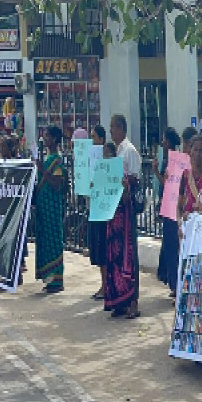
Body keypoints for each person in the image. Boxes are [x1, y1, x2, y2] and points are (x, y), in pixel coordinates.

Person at [104, 113, 141, 319]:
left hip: (125, 210)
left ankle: (133, 301)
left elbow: (135, 178)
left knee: (128, 255)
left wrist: (126, 183)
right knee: (115, 255)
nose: (111, 131)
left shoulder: (129, 151)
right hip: (113, 210)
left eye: (113, 127)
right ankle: (119, 299)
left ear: (121, 128)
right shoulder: (116, 151)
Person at [34, 125, 66, 293]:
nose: (44, 139)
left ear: (53, 139)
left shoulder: (57, 161)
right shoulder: (47, 159)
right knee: (45, 240)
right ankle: (48, 278)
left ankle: (57, 280)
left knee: (54, 241)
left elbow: (56, 185)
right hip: (43, 208)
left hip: (52, 209)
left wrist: (42, 171)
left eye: (46, 136)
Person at [153, 127, 182, 299]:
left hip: (172, 207)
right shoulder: (169, 159)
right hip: (167, 206)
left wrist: (156, 171)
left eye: (164, 139)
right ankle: (172, 282)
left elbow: (169, 184)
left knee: (172, 247)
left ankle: (176, 285)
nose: (162, 143)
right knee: (168, 247)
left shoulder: (174, 160)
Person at [88, 124, 111, 299]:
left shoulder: (106, 163)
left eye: (94, 137)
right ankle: (103, 284)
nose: (92, 140)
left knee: (104, 249)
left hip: (105, 212)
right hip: (95, 209)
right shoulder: (91, 159)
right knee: (97, 249)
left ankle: (106, 285)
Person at [178, 136, 202, 222]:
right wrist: (179, 223)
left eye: (201, 151)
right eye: (195, 150)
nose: (198, 154)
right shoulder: (185, 175)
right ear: (190, 151)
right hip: (187, 224)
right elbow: (179, 204)